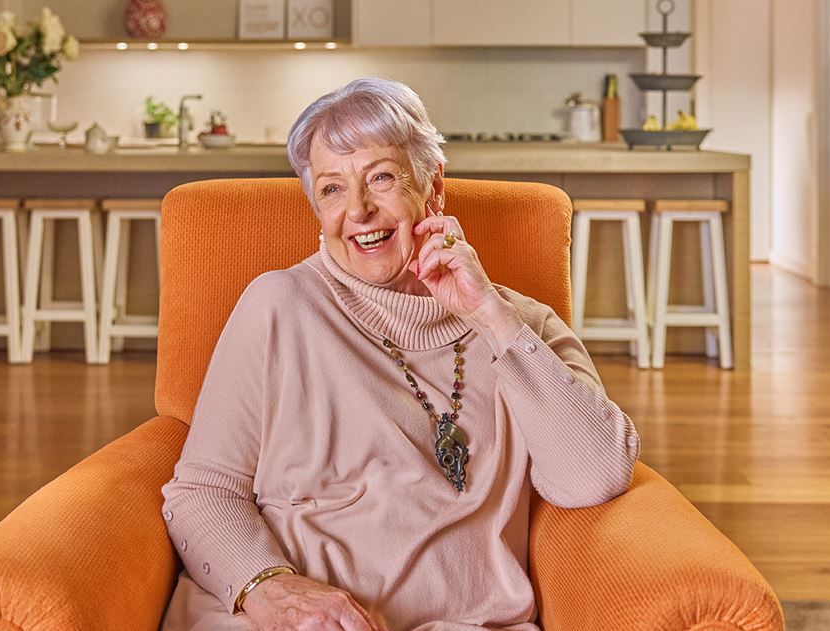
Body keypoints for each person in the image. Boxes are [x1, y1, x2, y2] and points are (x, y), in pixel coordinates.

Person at [160, 77, 640, 631]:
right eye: (332, 189)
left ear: (432, 187)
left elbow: (595, 476)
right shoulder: (280, 305)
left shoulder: (522, 327)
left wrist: (489, 315)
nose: (358, 210)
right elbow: (203, 492)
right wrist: (275, 591)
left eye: (380, 178)